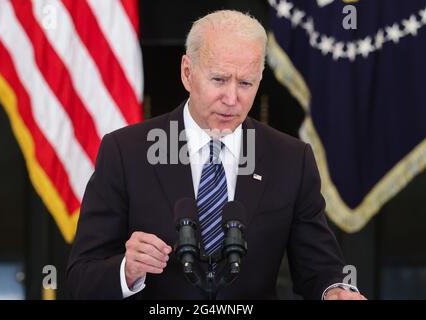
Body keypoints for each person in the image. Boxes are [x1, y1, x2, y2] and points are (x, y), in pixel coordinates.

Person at [66, 10, 366, 300]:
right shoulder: (126, 152)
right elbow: (81, 279)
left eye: (246, 83)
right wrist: (126, 271)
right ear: (187, 73)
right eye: (219, 80)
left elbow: (319, 269)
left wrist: (334, 292)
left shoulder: (291, 159)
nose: (232, 98)